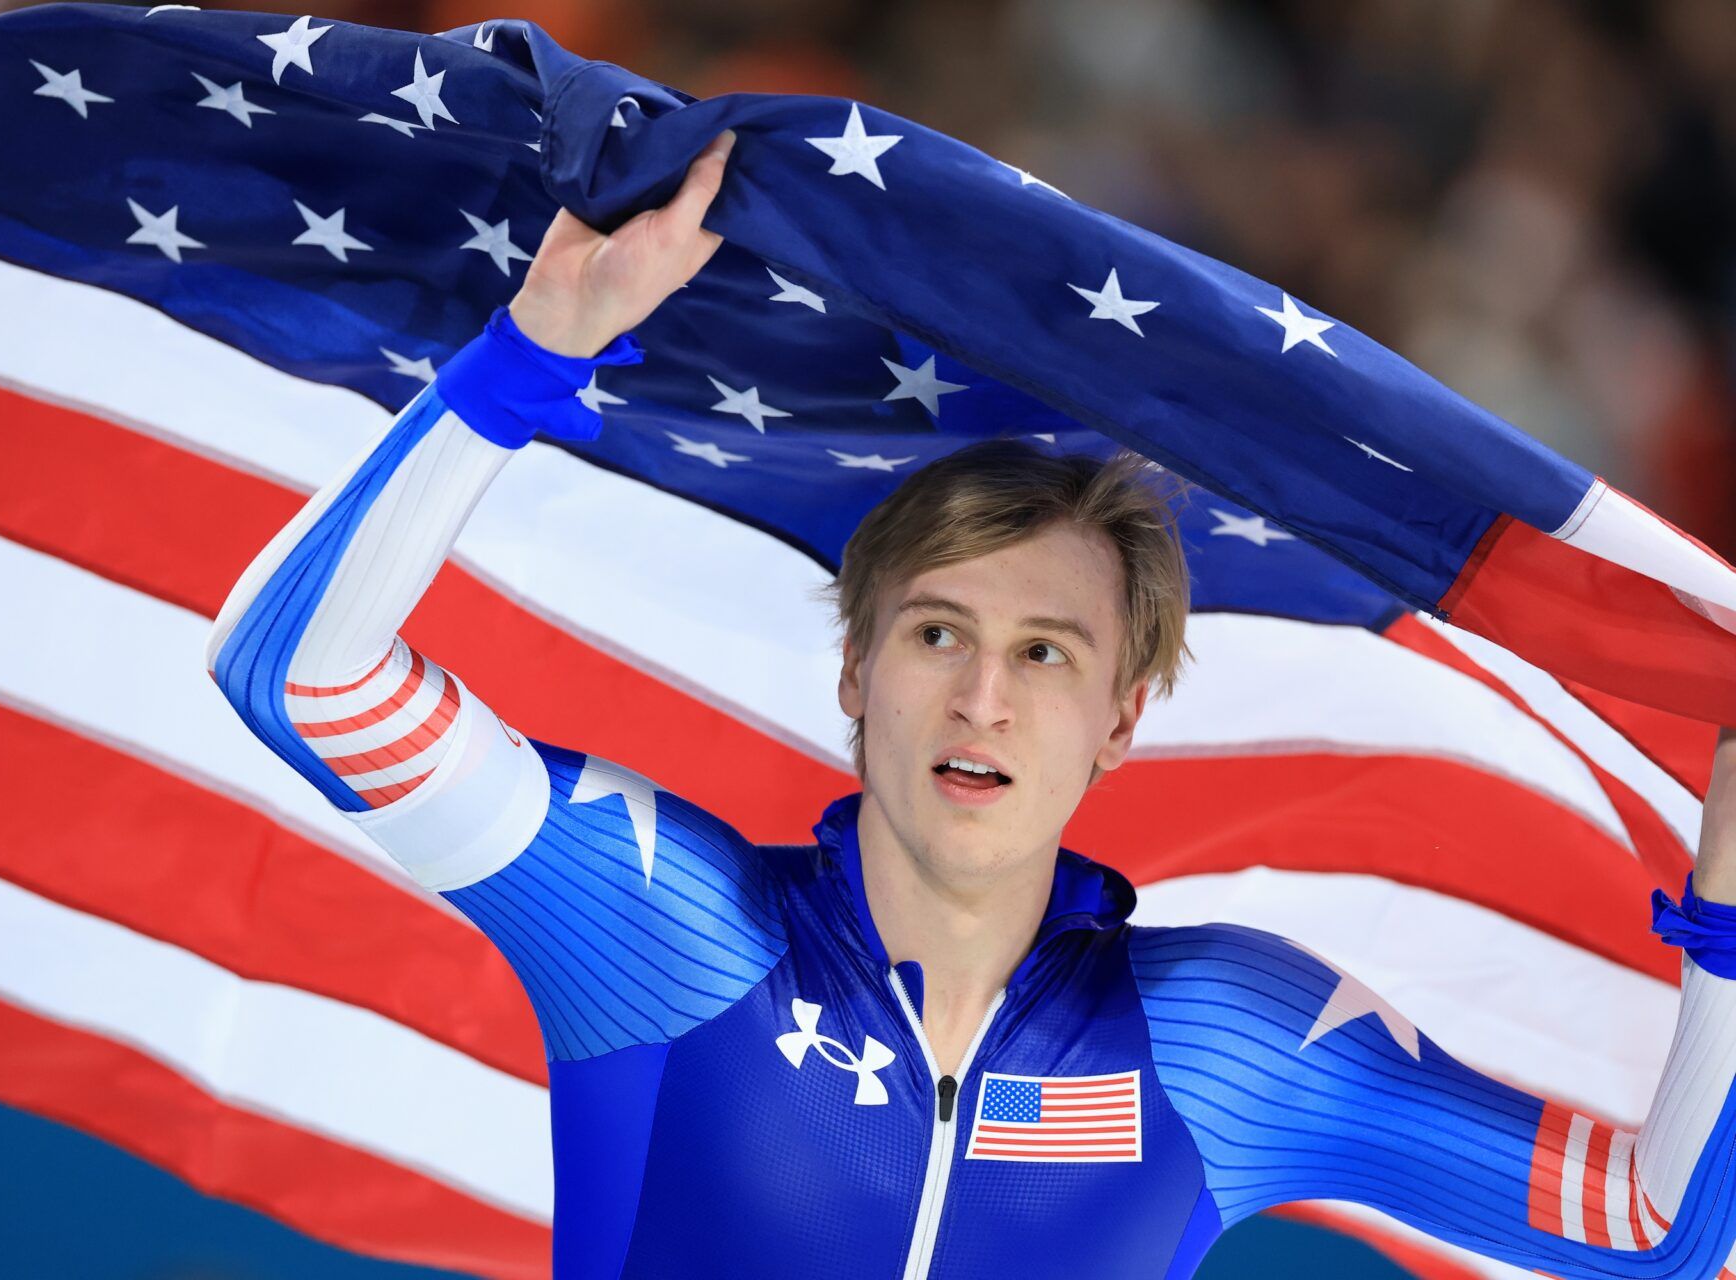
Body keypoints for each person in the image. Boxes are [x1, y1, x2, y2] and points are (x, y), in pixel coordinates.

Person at [205, 128, 1736, 1279]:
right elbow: (293, 676)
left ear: (1121, 720)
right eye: (939, 634)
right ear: (856, 672)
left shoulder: (1221, 1042)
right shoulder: (667, 926)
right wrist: (527, 358)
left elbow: (1655, 1231)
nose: (984, 697)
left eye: (1048, 654)